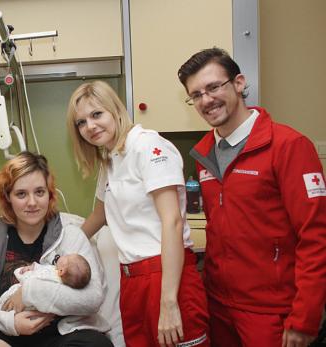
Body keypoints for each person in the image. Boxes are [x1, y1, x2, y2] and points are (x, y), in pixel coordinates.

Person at [178, 47, 326, 347]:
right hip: (219, 306)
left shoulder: (289, 146)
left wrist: (305, 316)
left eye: (214, 87)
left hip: (272, 311)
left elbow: (316, 237)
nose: (206, 100)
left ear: (239, 83)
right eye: (196, 94)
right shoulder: (204, 154)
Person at [66, 80, 209, 347]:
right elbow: (101, 214)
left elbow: (173, 222)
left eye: (97, 114)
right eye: (81, 122)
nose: (90, 126)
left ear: (115, 110)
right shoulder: (109, 160)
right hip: (131, 280)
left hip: (166, 275)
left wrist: (168, 302)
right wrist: (63, 246)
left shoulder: (148, 147)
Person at [0, 152, 112, 347]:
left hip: (60, 336)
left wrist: (29, 291)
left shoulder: (72, 235)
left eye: (39, 192)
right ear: (8, 198)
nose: (32, 202)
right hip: (6, 335)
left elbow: (92, 298)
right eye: (21, 194)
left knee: (97, 344)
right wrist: (11, 323)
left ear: (50, 194)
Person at [0, 253, 92, 310]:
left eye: (66, 257)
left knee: (8, 300)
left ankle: (0, 310)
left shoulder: (53, 281)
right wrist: (33, 267)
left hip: (25, 300)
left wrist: (25, 273)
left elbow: (33, 278)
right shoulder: (56, 272)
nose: (64, 255)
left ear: (62, 271)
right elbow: (43, 269)